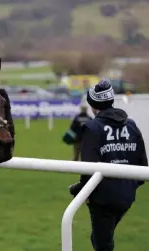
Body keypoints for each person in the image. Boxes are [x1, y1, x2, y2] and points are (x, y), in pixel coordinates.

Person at [68, 79, 147, 251]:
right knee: (100, 239)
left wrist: (81, 190)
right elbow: (143, 166)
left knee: (103, 244)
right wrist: (127, 187)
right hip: (126, 197)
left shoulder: (92, 127)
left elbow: (88, 168)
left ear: (94, 105)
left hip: (102, 199)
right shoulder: (132, 125)